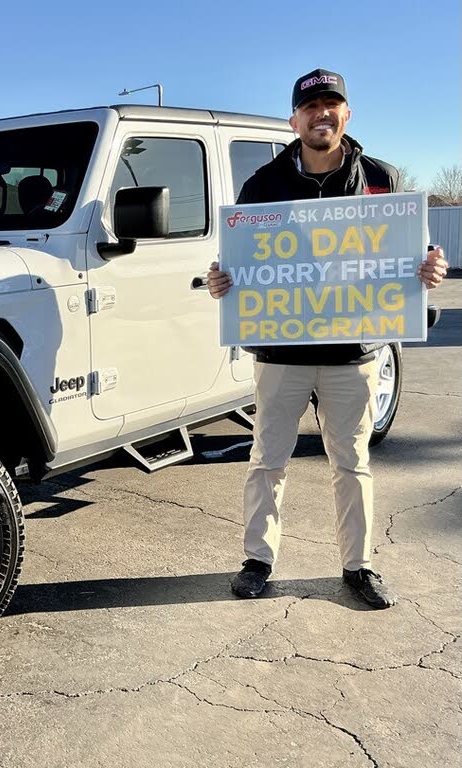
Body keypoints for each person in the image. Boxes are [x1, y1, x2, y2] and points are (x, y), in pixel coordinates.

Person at [207, 68, 448, 609]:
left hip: (352, 352)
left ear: (347, 114)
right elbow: (239, 262)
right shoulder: (262, 185)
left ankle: (358, 567)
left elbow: (413, 256)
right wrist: (222, 280)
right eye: (310, 106)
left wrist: (430, 270)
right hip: (280, 351)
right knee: (267, 461)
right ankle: (257, 560)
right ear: (294, 120)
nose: (322, 114)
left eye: (331, 104)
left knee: (352, 463)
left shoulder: (381, 178)